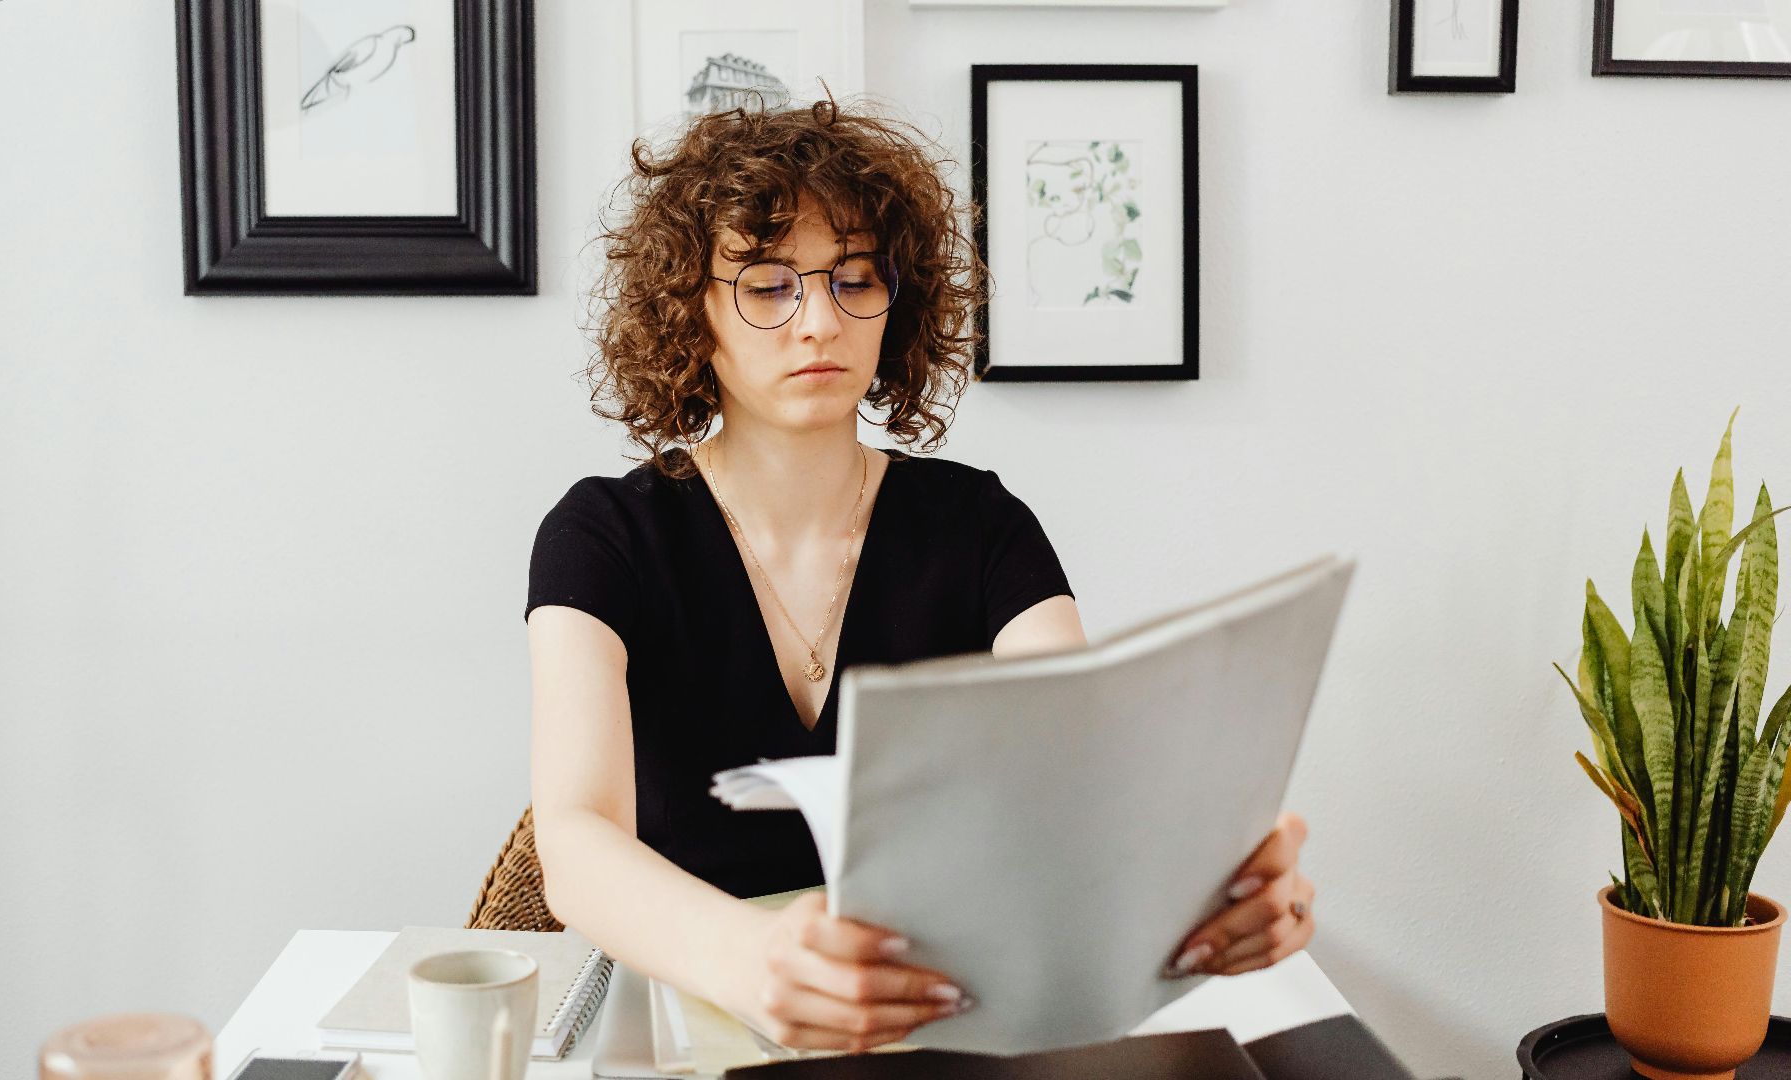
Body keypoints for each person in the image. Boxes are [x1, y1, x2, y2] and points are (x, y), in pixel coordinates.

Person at [525, 98, 1316, 1054]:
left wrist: (1208, 885)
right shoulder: (602, 536)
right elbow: (573, 842)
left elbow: (1084, 781)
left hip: (951, 1012)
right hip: (694, 1002)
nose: (819, 318)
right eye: (767, 285)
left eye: (855, 278)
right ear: (689, 307)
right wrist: (752, 959)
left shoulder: (979, 525)